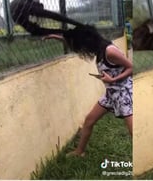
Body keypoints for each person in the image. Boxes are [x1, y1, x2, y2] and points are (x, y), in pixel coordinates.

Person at [43, 25, 133, 156]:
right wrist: (56, 37)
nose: (82, 51)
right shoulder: (99, 48)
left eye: (81, 47)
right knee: (89, 121)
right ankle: (80, 152)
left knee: (133, 131)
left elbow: (131, 68)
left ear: (87, 43)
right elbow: (74, 41)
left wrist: (113, 80)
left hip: (124, 93)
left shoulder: (110, 51)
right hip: (111, 94)